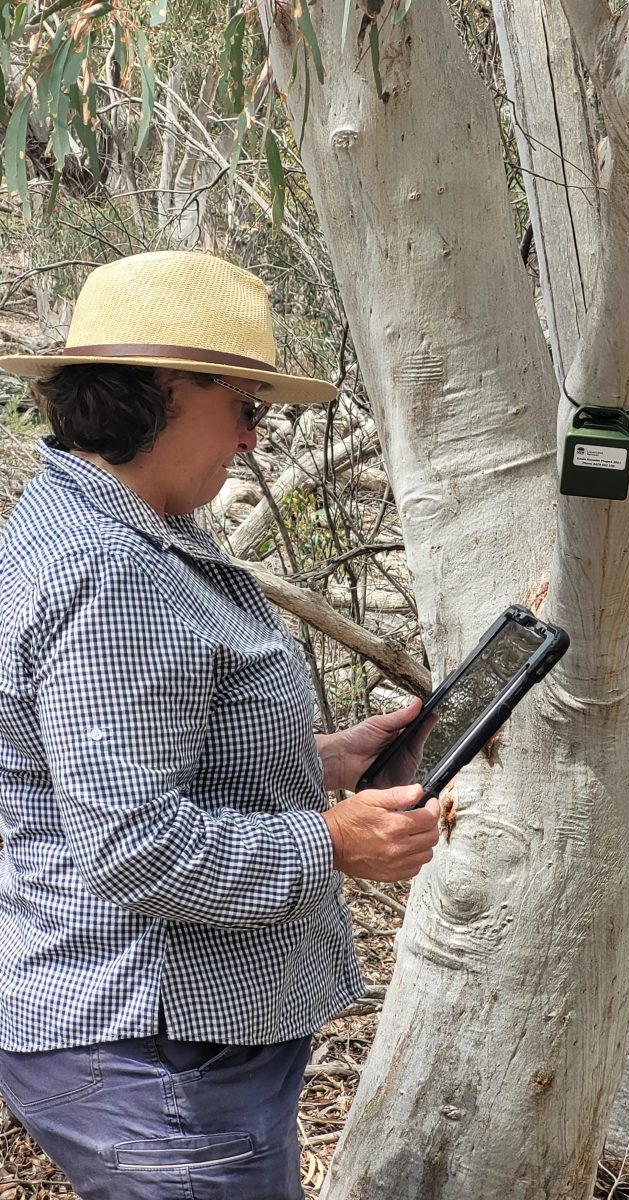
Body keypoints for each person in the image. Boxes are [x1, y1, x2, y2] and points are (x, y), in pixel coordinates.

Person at [0, 250, 440, 1199]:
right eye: (244, 407)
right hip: (157, 1056)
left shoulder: (130, 528)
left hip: (179, 1046)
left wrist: (320, 760)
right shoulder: (110, 572)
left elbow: (122, 758)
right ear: (166, 389)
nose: (250, 439)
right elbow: (131, 845)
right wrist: (330, 844)